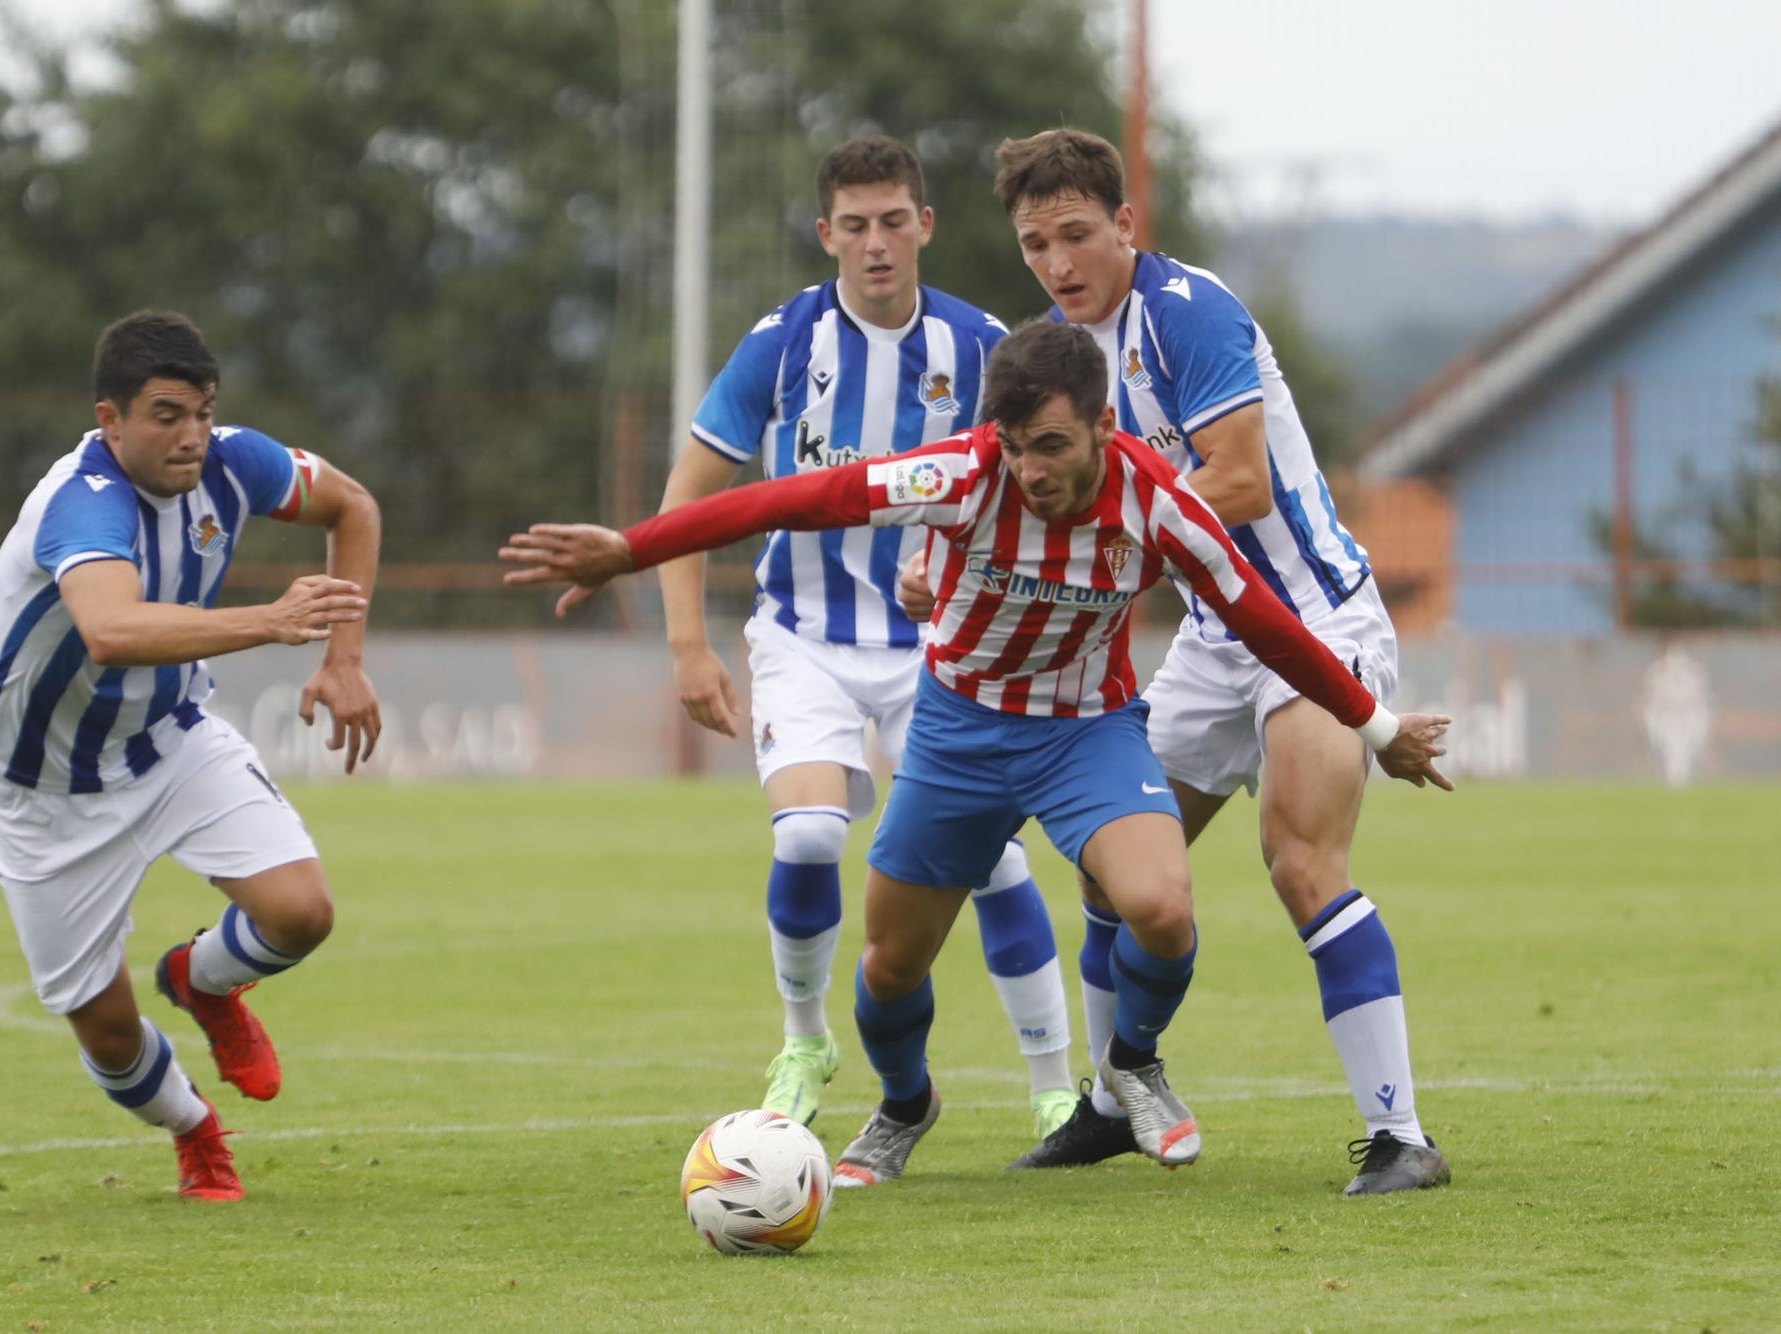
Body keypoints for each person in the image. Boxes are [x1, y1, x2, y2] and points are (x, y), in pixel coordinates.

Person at [501, 320, 1451, 1188]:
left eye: (1052, 447)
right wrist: (630, 549)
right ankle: (906, 1103)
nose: (1030, 471)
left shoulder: (1158, 502)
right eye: (1015, 446)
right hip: (958, 734)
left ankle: (1133, 1062)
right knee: (888, 967)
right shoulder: (955, 475)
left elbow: (1269, 624)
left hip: (1088, 733)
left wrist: (1376, 728)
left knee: (1159, 906)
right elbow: (791, 497)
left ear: (1104, 426)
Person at [938, 128, 1453, 1195]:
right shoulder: (1060, 357)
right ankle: (1107, 1101)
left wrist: (1099, 553)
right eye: (1035, 243)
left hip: (1308, 617)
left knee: (1297, 858)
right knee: (1102, 860)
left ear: (1123, 225)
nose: (1056, 261)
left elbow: (1240, 482)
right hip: (1214, 635)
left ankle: (1399, 1135)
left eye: (1076, 234)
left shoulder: (1186, 313)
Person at [656, 135, 1076, 1138]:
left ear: (924, 225)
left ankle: (1056, 1084)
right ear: (826, 235)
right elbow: (689, 495)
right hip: (803, 635)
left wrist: (983, 580)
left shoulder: (980, 346)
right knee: (805, 833)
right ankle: (804, 1040)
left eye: (894, 220)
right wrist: (685, 642)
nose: (876, 243)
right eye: (855, 225)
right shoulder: (784, 342)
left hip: (941, 646)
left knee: (993, 860)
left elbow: (1047, 484)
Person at [0, 310, 383, 1202]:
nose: (190, 434)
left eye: (201, 409)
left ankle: (202, 980)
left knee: (302, 910)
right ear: (109, 418)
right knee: (108, 1032)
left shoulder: (238, 460)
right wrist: (271, 620)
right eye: (165, 414)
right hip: (44, 788)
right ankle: (195, 1128)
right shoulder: (81, 501)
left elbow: (354, 507)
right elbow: (110, 629)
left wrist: (343, 658)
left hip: (169, 740)